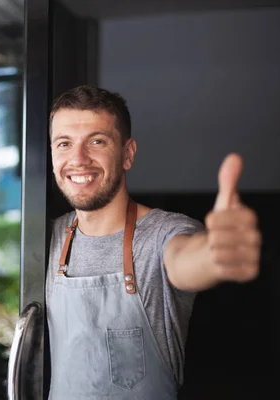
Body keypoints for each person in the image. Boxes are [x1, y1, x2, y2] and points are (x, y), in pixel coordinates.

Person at [46, 85, 261, 400]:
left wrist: (216, 254)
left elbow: (187, 257)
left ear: (127, 154)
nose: (78, 159)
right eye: (64, 143)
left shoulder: (163, 234)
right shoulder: (48, 238)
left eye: (97, 141)